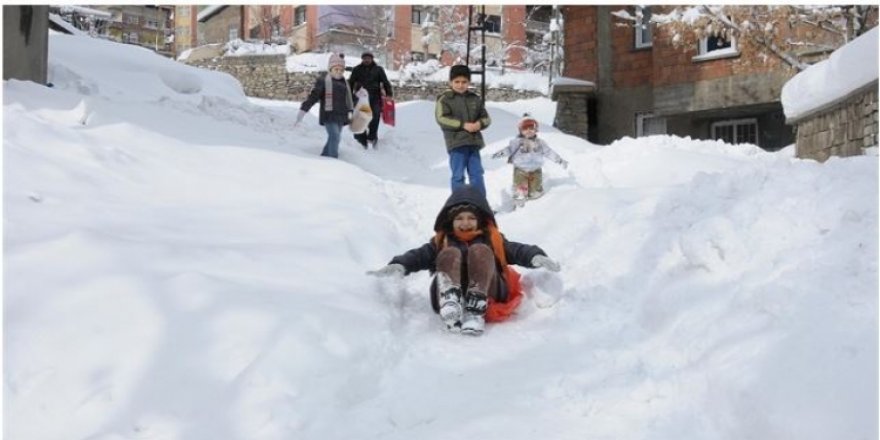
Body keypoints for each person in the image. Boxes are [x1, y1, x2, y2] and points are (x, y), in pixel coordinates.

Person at [367, 185, 561, 336]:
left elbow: (516, 250)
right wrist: (399, 264)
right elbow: (419, 255)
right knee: (448, 253)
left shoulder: (492, 239)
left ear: (480, 221)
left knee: (480, 250)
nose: (465, 222)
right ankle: (451, 300)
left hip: (489, 292)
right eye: (459, 218)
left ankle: (475, 308)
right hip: (444, 296)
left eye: (470, 218)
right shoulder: (442, 241)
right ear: (451, 221)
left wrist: (536, 256)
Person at [435, 65, 491, 197]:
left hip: (473, 143)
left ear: (469, 82)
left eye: (464, 82)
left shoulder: (474, 98)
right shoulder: (445, 99)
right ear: (450, 82)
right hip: (456, 144)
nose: (461, 85)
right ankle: (459, 203)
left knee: (477, 174)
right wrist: (462, 125)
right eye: (457, 82)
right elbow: (441, 118)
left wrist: (479, 124)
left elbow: (487, 118)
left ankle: (480, 204)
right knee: (458, 175)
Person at [491, 114, 568, 203]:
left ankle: (535, 204)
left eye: (531, 128)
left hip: (536, 170)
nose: (528, 131)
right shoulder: (516, 142)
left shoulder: (540, 143)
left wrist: (559, 160)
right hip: (520, 170)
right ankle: (520, 204)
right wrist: (500, 153)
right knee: (520, 190)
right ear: (520, 130)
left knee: (536, 191)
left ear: (536, 129)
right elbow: (509, 150)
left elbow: (549, 152)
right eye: (525, 128)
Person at [296, 53, 353, 159]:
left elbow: (349, 99)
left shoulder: (345, 83)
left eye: (341, 70)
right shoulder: (323, 81)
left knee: (335, 138)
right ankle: (332, 161)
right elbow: (314, 96)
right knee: (335, 136)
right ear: (330, 69)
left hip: (341, 116)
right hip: (329, 115)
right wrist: (304, 109)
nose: (339, 72)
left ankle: (324, 157)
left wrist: (358, 98)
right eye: (336, 69)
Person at [348, 52, 393, 149]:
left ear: (372, 59)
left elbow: (385, 82)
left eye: (368, 58)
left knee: (375, 116)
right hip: (361, 98)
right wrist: (350, 96)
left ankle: (372, 137)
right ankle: (361, 138)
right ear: (362, 59)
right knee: (361, 116)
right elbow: (350, 83)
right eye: (365, 58)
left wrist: (389, 94)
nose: (366, 60)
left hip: (374, 97)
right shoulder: (357, 69)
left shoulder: (378, 70)